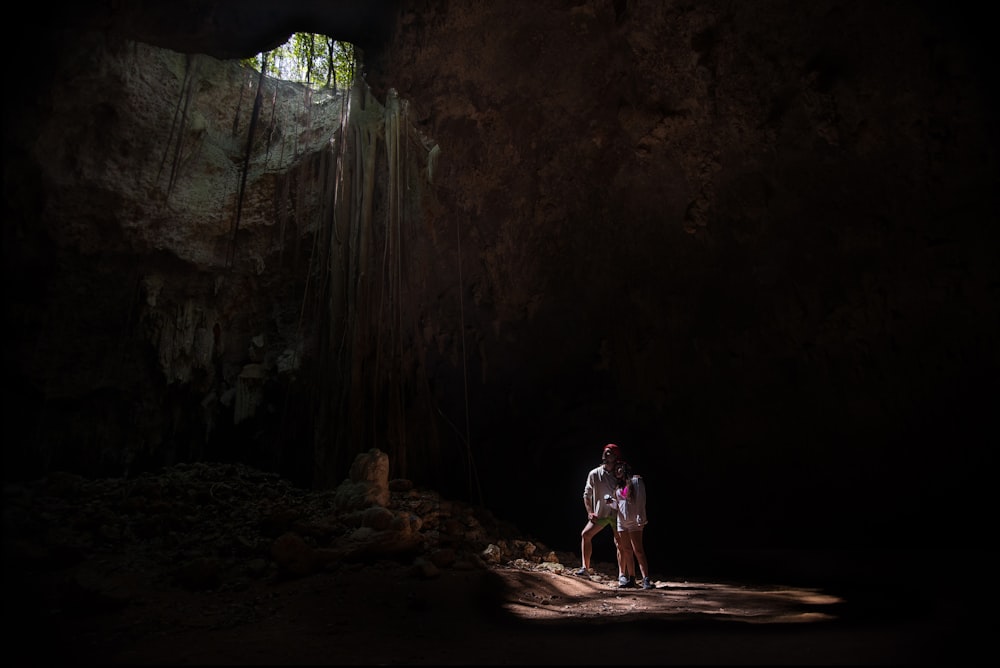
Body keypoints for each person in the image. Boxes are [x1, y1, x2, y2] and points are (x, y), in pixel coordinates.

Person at [576, 443, 624, 577]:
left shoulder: (619, 474)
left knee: (620, 543)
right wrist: (590, 512)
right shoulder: (594, 473)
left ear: (615, 456)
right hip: (601, 513)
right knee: (586, 534)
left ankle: (622, 574)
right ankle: (585, 568)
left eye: (609, 452)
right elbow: (586, 494)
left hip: (617, 514)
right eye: (605, 452)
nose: (606, 454)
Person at [612, 459, 654, 589]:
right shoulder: (618, 486)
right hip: (622, 522)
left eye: (620, 467)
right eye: (616, 469)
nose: (617, 470)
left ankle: (646, 579)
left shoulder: (636, 481)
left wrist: (641, 517)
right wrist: (610, 502)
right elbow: (617, 505)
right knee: (627, 550)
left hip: (634, 521)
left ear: (625, 468)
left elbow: (641, 499)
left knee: (638, 550)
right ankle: (631, 578)